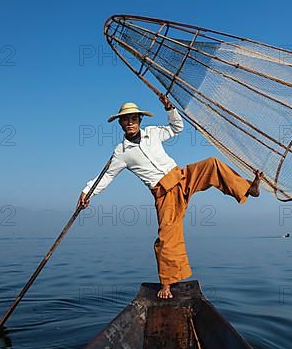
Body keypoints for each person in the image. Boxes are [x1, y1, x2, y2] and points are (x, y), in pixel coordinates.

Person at [78, 96, 263, 299]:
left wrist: (170, 108)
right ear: (121, 124)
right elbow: (106, 177)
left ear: (139, 120)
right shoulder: (121, 152)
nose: (130, 122)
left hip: (181, 177)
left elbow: (176, 128)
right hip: (164, 194)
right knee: (167, 237)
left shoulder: (153, 133)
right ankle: (166, 283)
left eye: (133, 118)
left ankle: (248, 189)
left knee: (212, 164)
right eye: (125, 120)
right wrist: (87, 192)